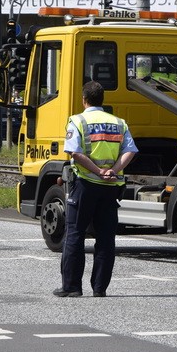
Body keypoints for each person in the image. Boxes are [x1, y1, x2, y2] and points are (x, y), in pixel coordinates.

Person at [54, 81, 138, 298]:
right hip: (110, 188)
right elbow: (130, 151)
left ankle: (72, 287)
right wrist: (113, 170)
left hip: (85, 184)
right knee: (106, 237)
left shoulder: (78, 121)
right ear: (102, 100)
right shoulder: (119, 123)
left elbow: (75, 153)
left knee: (75, 233)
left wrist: (98, 171)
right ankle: (100, 288)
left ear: (84, 99)